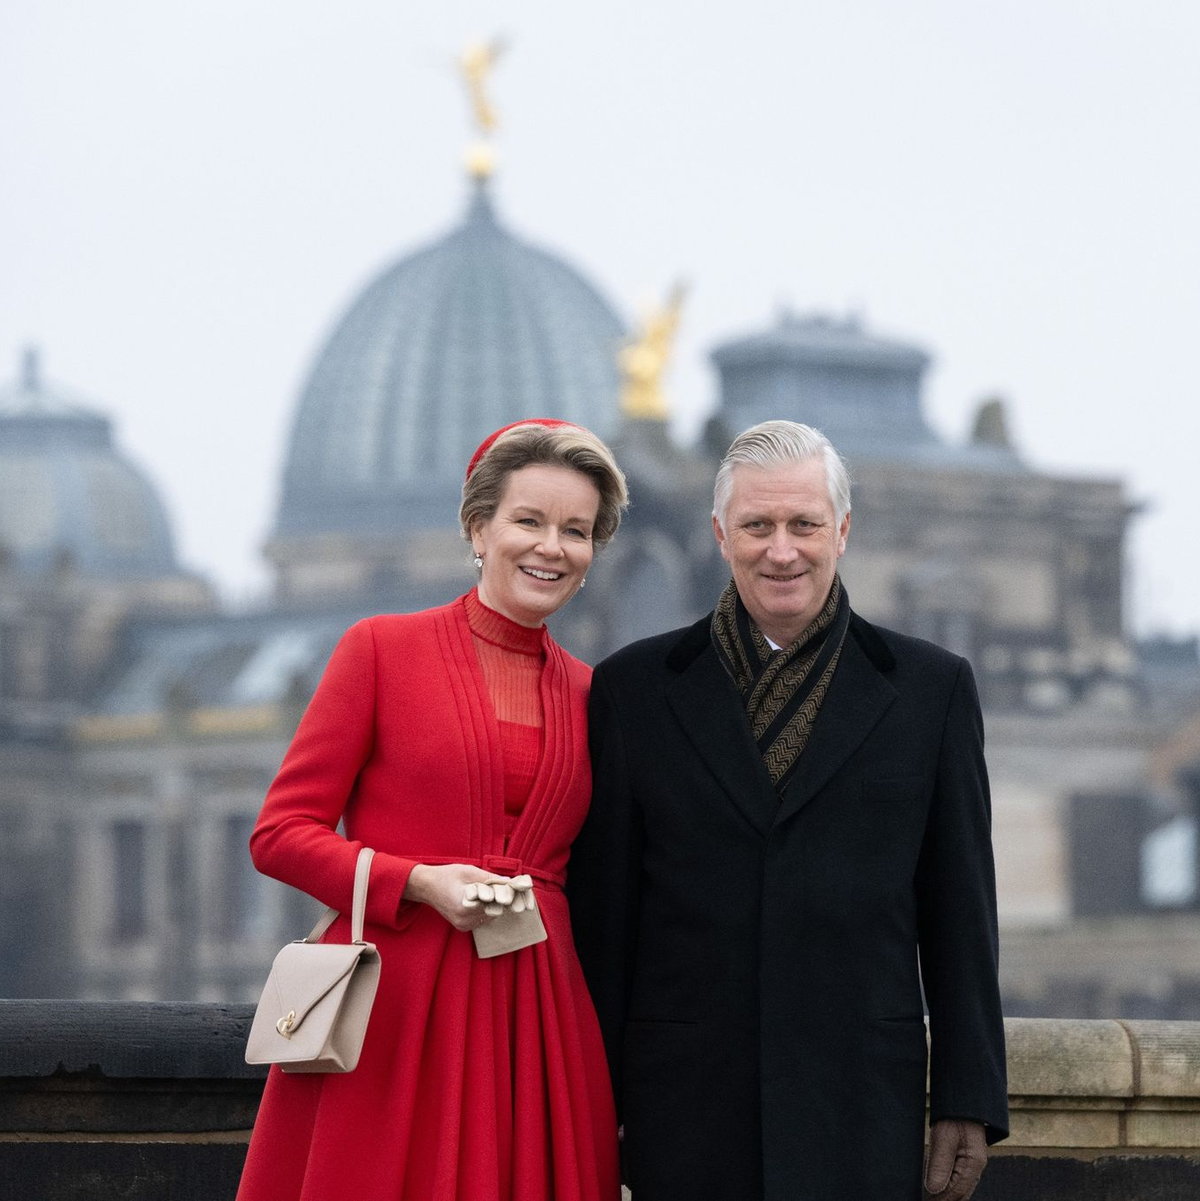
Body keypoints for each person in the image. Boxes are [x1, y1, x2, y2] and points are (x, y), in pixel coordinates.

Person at [568, 420, 1008, 1201]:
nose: (782, 549)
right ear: (719, 533)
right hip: (683, 1110)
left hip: (864, 1102)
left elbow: (960, 911)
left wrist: (970, 1095)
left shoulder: (933, 689)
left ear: (841, 530)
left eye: (804, 524)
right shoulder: (630, 690)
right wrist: (594, 1101)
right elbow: (606, 925)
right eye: (757, 525)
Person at [237, 420, 627, 1201]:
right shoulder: (379, 649)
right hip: (394, 1016)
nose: (552, 546)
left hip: (543, 1021)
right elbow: (278, 835)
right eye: (529, 521)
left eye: (576, 530)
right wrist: (418, 882)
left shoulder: (598, 695)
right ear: (478, 528)